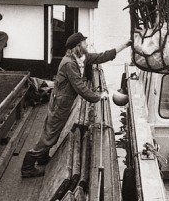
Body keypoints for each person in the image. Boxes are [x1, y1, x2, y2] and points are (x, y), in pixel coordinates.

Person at [21, 32, 132, 178]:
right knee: (51, 134)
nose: (87, 44)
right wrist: (98, 97)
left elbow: (102, 56)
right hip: (60, 103)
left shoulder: (81, 58)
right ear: (78, 46)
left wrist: (124, 45)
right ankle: (28, 167)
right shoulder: (69, 63)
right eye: (85, 43)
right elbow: (79, 86)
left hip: (64, 101)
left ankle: (42, 158)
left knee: (52, 131)